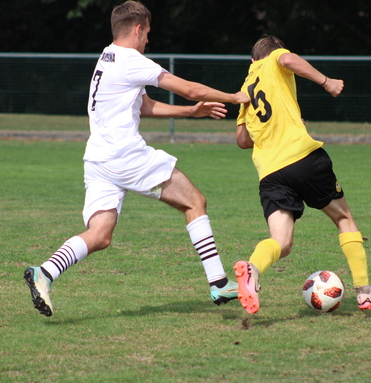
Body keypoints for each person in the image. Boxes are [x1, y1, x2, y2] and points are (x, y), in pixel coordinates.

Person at [24, 0, 249, 317]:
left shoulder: (106, 57)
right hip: (125, 155)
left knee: (100, 235)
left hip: (99, 160)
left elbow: (144, 106)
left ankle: (44, 273)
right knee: (194, 201)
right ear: (138, 28)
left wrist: (190, 113)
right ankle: (219, 283)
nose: (148, 41)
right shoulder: (132, 60)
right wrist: (233, 97)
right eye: (147, 34)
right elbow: (190, 89)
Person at [232, 35, 371, 314]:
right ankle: (364, 291)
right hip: (302, 158)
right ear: (269, 54)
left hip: (270, 172)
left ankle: (253, 269)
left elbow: (242, 140)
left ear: (251, 61)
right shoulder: (275, 59)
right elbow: (289, 59)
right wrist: (327, 82)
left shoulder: (246, 87)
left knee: (282, 241)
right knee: (343, 217)